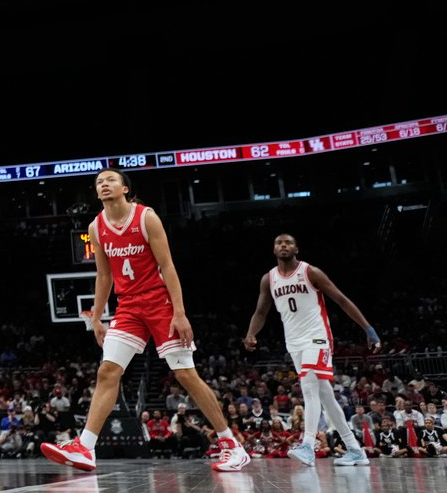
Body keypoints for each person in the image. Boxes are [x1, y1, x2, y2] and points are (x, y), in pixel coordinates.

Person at [41, 169, 249, 473]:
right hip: (128, 307)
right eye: (99, 182)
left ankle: (232, 445)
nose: (104, 184)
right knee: (107, 371)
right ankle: (85, 447)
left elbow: (168, 266)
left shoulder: (146, 217)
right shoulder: (96, 227)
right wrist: (96, 317)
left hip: (159, 302)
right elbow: (104, 275)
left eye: (110, 180)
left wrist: (179, 312)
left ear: (125, 188)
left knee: (186, 374)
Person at [243, 232, 379, 468]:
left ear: (296, 249)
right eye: (279, 243)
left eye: (288, 242)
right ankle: (355, 450)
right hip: (294, 343)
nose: (283, 245)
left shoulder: (310, 272)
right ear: (274, 249)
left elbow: (341, 299)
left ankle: (307, 445)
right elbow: (261, 312)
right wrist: (251, 333)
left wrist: (368, 329)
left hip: (317, 338)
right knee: (325, 396)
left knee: (308, 387)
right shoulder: (269, 279)